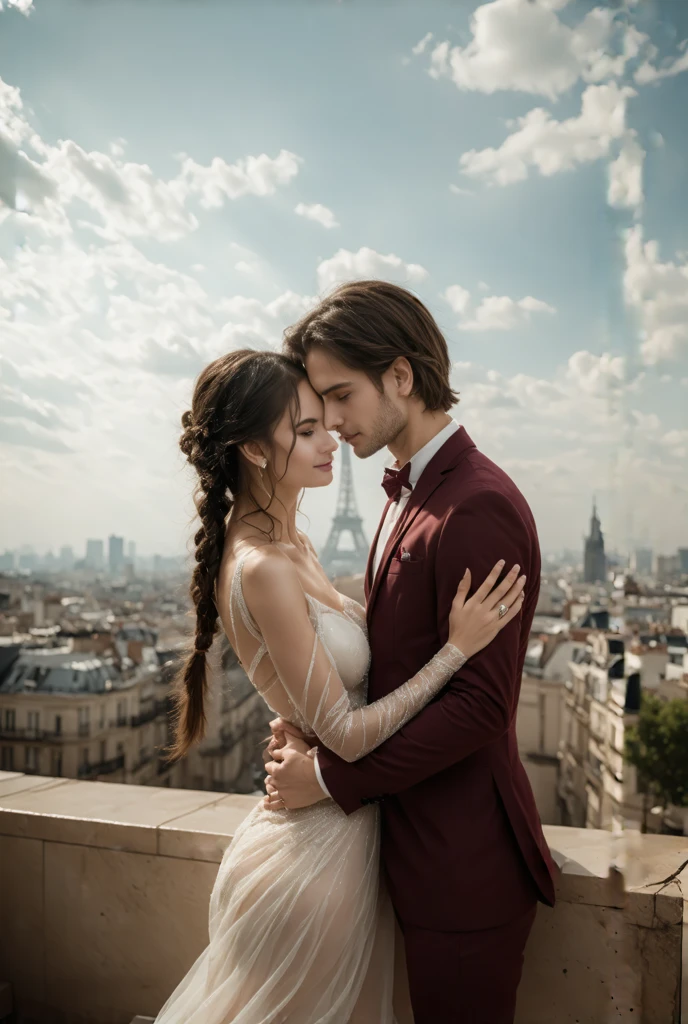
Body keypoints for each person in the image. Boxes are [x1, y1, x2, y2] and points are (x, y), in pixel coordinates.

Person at [153, 345, 525, 1023]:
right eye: (305, 430)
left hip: (340, 844)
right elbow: (347, 736)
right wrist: (455, 650)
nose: (332, 439)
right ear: (255, 451)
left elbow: (330, 670)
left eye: (327, 419)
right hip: (314, 864)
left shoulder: (295, 542)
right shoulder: (264, 563)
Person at [263, 280, 559, 1024]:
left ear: (401, 376)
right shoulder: (406, 493)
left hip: (463, 865)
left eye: (340, 395)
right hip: (417, 853)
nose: (329, 421)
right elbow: (395, 651)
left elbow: (482, 708)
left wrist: (332, 779)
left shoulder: (476, 504)